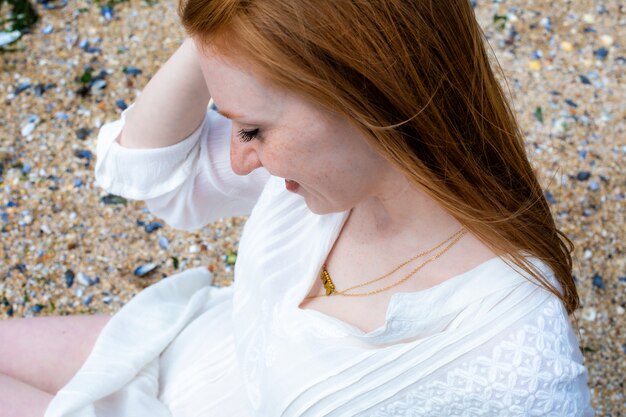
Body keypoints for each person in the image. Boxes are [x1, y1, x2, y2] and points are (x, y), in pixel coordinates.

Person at [0, 0, 594, 416]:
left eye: (253, 130)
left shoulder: (513, 360)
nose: (238, 160)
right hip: (187, 350)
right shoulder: (337, 172)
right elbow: (153, 168)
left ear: (362, 92)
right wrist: (232, 22)